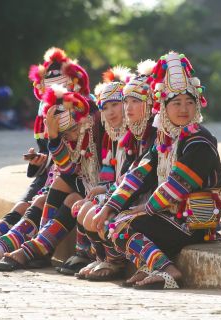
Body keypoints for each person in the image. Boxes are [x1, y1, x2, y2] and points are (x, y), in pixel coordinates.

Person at [92, 51, 221, 289]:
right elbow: (140, 173)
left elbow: (178, 184)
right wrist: (110, 205)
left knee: (121, 226)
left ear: (197, 104)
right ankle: (152, 265)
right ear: (164, 107)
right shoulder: (166, 138)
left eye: (189, 102)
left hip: (194, 223)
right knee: (114, 218)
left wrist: (146, 208)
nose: (183, 108)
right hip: (172, 216)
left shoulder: (199, 140)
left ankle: (167, 270)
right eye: (176, 103)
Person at [0, 84, 101, 271]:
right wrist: (54, 137)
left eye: (74, 129)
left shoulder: (98, 125)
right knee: (63, 189)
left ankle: (35, 249)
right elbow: (68, 169)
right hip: (88, 185)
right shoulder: (77, 134)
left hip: (109, 187)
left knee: (72, 196)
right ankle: (38, 248)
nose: (72, 136)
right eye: (66, 134)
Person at [76, 60, 159, 280]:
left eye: (133, 102)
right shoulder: (131, 137)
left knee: (108, 218)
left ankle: (116, 262)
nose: (124, 108)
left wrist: (110, 199)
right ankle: (102, 257)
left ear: (151, 103)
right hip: (135, 197)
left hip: (155, 204)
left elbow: (142, 178)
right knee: (86, 208)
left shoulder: (153, 136)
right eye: (126, 101)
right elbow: (131, 176)